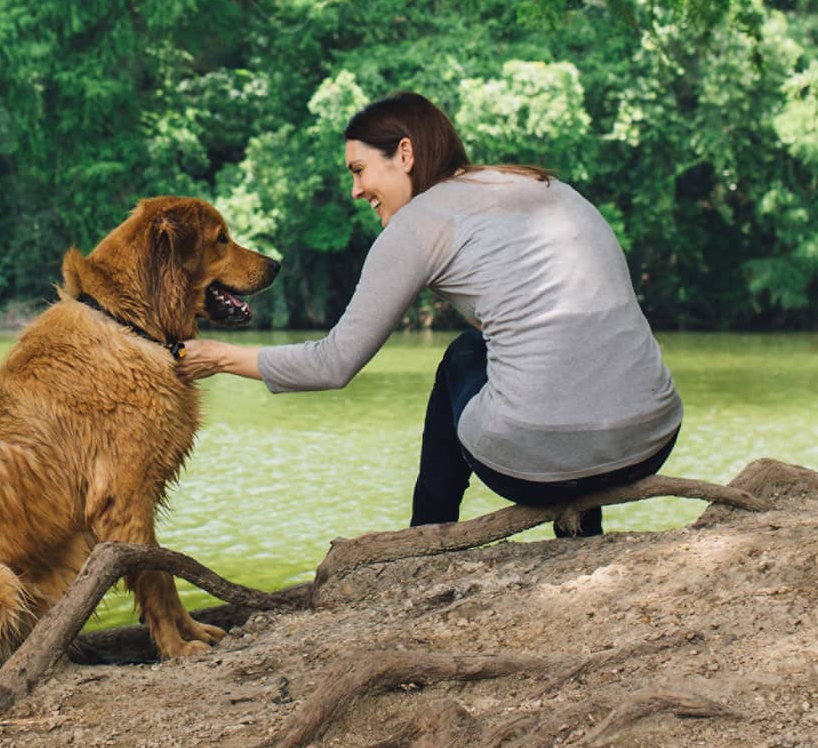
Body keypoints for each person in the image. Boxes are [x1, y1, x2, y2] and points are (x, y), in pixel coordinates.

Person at [177, 91, 682, 535]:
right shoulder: (544, 187)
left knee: (463, 356)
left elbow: (333, 364)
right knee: (513, 354)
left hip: (536, 467)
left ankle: (425, 541)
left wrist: (217, 356)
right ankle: (580, 531)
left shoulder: (418, 223)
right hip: (651, 437)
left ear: (404, 153)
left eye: (359, 170)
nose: (355, 191)